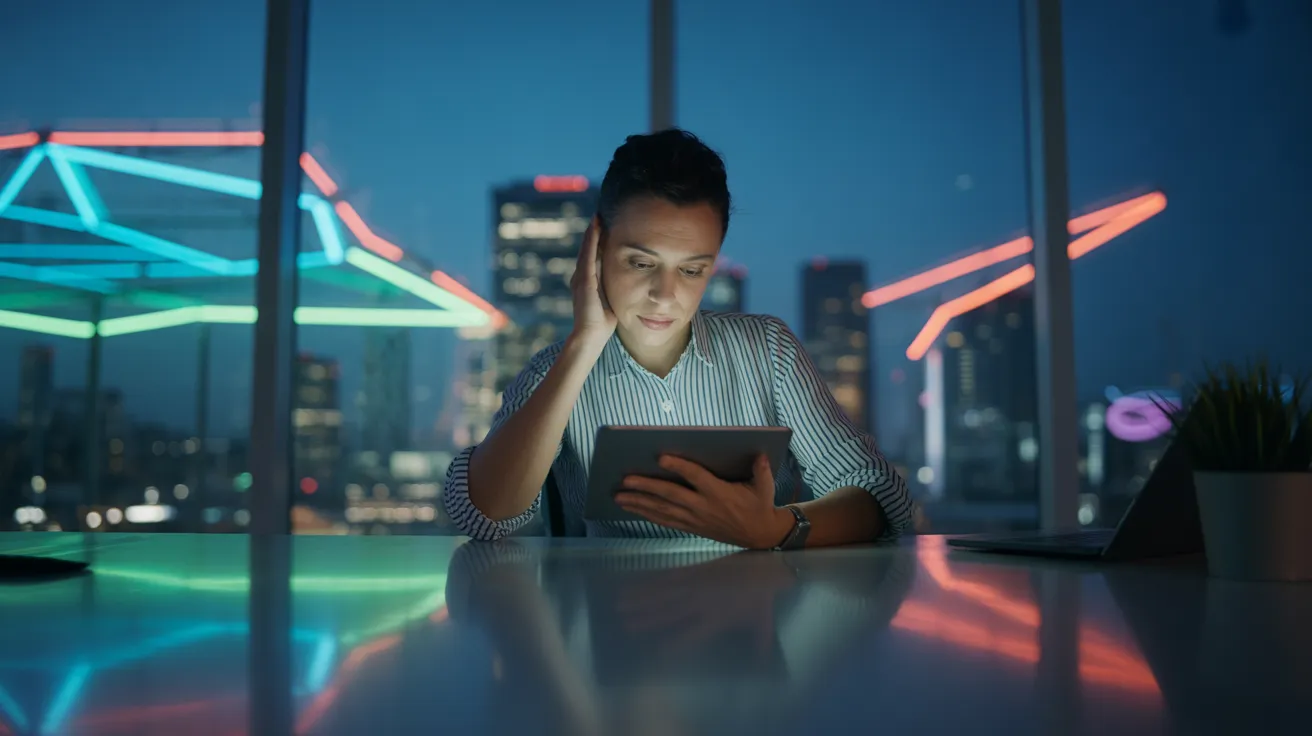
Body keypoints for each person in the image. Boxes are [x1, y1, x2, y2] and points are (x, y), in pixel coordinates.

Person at [443, 129, 911, 548]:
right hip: (606, 610)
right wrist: (584, 343)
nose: (664, 295)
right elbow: (482, 516)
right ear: (596, 250)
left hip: (755, 607)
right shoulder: (556, 371)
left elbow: (881, 495)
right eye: (641, 263)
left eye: (691, 270)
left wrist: (777, 528)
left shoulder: (768, 352)